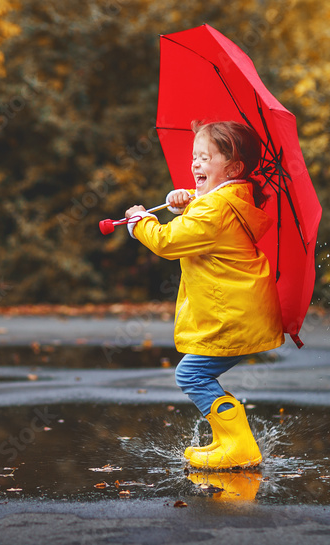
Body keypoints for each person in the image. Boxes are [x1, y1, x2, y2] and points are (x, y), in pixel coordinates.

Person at [124, 120, 283, 470]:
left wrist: (140, 223)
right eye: (194, 157)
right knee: (198, 375)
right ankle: (229, 442)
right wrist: (180, 203)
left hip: (233, 315)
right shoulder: (228, 200)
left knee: (191, 375)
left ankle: (239, 445)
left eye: (205, 157)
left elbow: (171, 241)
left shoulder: (215, 208)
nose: (195, 164)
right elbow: (200, 218)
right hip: (240, 312)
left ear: (234, 167)